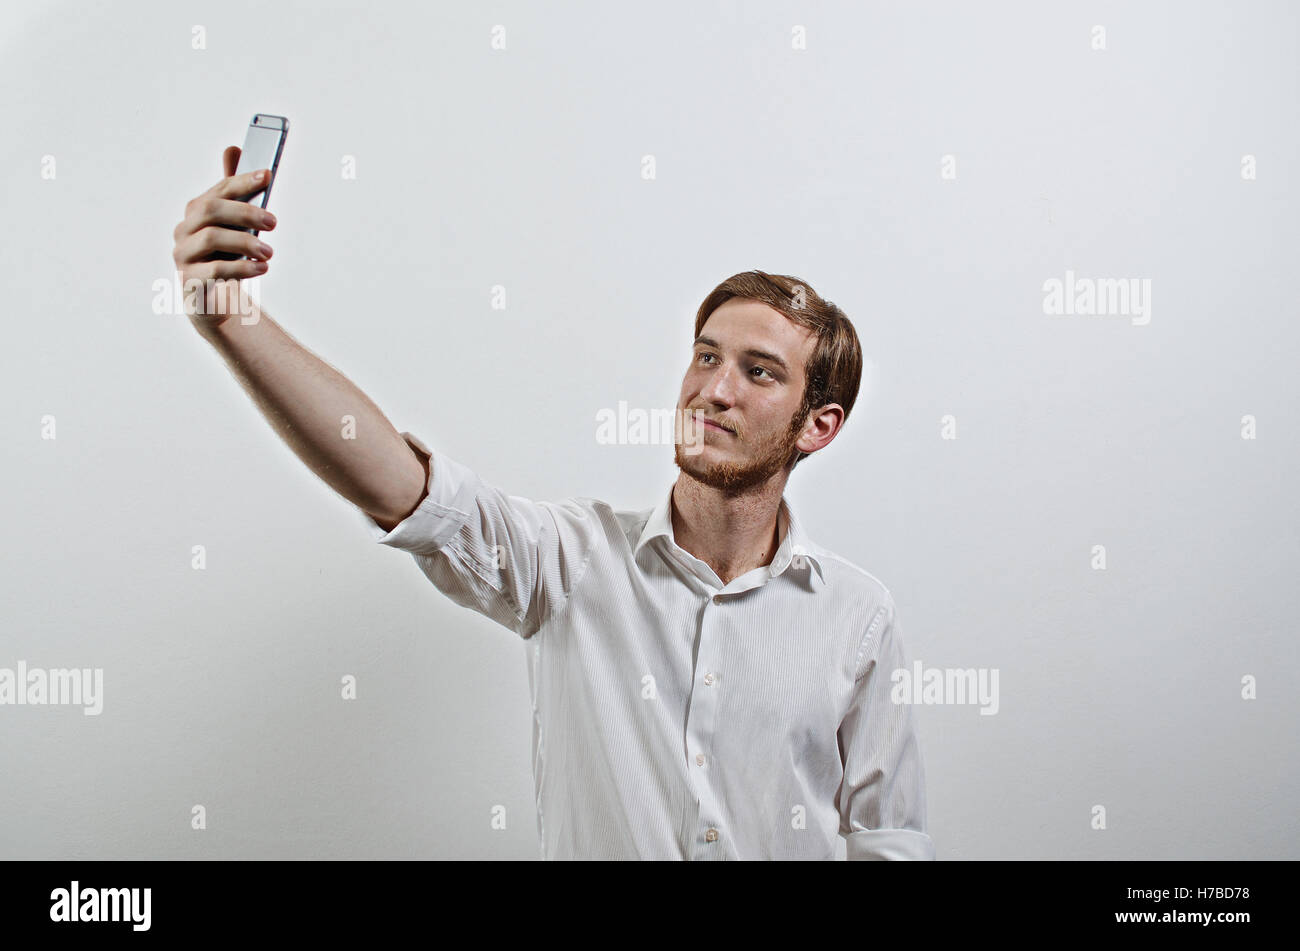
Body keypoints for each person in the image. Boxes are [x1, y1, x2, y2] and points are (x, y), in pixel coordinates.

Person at [172, 147, 935, 860]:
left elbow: (888, 838)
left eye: (759, 371)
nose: (715, 389)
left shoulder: (858, 617)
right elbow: (405, 487)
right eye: (706, 355)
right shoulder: (571, 561)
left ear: (819, 425)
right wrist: (232, 320)